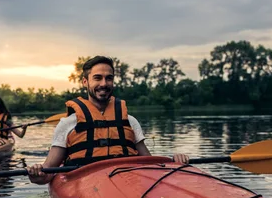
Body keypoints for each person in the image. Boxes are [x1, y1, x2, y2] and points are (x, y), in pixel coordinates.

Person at [26, 55, 189, 184]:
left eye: (108, 78)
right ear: (85, 82)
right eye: (97, 78)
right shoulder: (68, 124)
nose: (104, 83)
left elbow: (151, 165)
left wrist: (174, 162)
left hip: (127, 183)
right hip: (85, 187)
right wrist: (36, 174)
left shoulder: (130, 121)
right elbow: (47, 175)